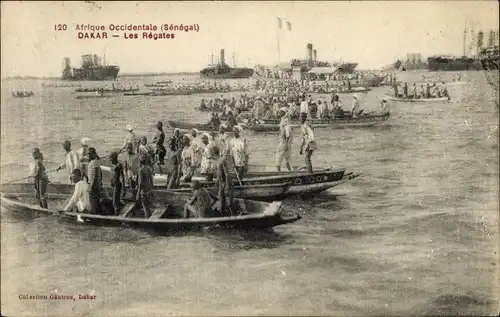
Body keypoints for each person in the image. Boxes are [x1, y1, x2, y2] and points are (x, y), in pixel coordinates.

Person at [215, 147, 233, 216]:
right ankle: (223, 214)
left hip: (225, 182)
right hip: (221, 183)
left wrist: (227, 186)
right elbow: (219, 173)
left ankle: (230, 215)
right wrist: (217, 184)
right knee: (221, 200)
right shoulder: (218, 160)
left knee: (228, 202)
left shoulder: (222, 160)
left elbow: (227, 174)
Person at [86, 147, 103, 214]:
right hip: (95, 183)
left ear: (93, 154)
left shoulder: (93, 162)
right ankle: (96, 212)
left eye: (89, 154)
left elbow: (95, 175)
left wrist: (91, 185)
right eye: (88, 154)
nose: (88, 156)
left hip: (93, 184)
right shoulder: (94, 162)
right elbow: (100, 173)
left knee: (93, 199)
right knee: (95, 199)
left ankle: (94, 213)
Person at [276, 107, 292, 172]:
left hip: (284, 141)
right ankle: (289, 170)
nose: (279, 113)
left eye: (280, 112)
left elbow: (287, 132)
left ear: (284, 113)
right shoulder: (284, 120)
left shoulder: (285, 121)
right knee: (287, 157)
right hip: (286, 142)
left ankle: (278, 171)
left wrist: (286, 143)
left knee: (279, 156)